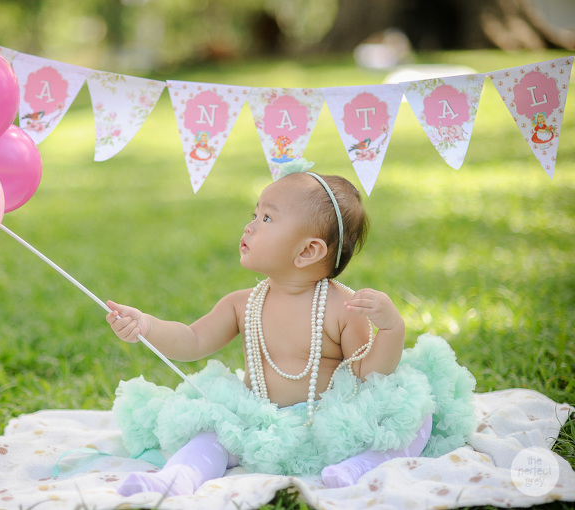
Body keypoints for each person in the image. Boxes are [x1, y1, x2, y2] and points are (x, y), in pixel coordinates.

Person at [106, 159, 475, 496]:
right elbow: (193, 340)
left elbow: (369, 375)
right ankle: (179, 476)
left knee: (412, 416)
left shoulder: (342, 307)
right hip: (261, 422)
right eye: (254, 214)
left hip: (329, 424)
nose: (250, 224)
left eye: (267, 218)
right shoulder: (242, 303)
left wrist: (392, 330)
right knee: (212, 431)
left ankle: (363, 465)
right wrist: (147, 326)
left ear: (307, 251)